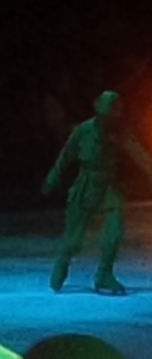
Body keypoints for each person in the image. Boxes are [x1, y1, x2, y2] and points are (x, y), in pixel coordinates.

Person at [42, 90, 152, 295]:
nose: (109, 120)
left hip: (108, 187)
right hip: (86, 185)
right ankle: (63, 262)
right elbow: (65, 156)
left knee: (114, 231)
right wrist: (52, 177)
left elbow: (139, 154)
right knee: (73, 238)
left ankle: (104, 274)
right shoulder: (83, 131)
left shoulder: (120, 132)